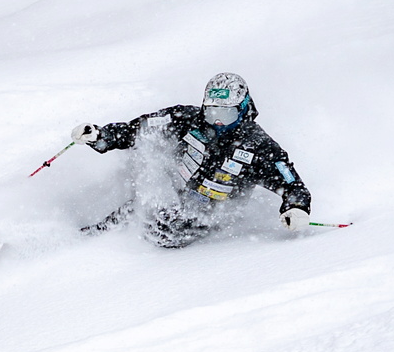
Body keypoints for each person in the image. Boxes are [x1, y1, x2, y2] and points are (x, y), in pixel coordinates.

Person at [71, 72, 312, 247]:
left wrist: (296, 208)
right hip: (174, 193)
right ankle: (89, 242)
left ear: (243, 110)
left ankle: (128, 255)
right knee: (140, 210)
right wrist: (102, 136)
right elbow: (139, 128)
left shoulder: (259, 147)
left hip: (210, 213)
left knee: (162, 235)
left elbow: (291, 183)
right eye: (211, 112)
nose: (217, 122)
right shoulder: (187, 119)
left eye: (226, 114)